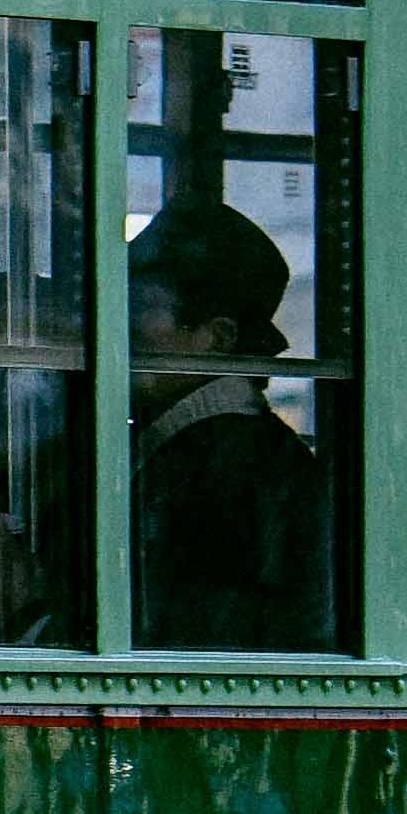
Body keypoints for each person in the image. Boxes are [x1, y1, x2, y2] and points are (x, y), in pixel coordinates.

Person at [127, 195, 333, 649]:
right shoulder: (237, 450)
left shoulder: (225, 466)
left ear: (218, 338)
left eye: (142, 307)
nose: (121, 326)